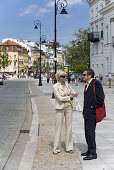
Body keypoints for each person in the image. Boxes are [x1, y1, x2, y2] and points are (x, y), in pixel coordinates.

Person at [82, 68, 105, 160]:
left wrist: (92, 106)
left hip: (92, 112)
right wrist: (84, 111)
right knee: (87, 132)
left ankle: (93, 153)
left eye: (84, 75)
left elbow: (101, 97)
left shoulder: (96, 83)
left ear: (89, 76)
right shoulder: (87, 84)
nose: (82, 76)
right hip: (87, 112)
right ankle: (89, 149)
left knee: (90, 132)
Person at [53, 70, 78, 155]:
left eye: (65, 76)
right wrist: (69, 97)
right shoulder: (55, 86)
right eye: (63, 76)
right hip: (59, 108)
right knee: (58, 128)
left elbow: (71, 94)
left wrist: (73, 95)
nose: (65, 78)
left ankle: (69, 147)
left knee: (69, 127)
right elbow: (59, 98)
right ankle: (56, 148)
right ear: (58, 77)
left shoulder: (68, 85)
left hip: (68, 107)